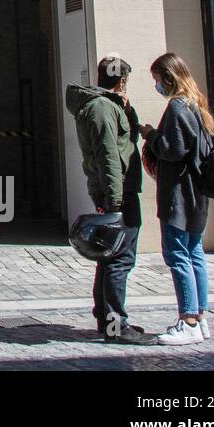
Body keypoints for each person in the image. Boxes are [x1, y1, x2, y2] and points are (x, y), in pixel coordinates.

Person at [66, 56, 150, 343]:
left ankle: (105, 318)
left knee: (109, 256)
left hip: (115, 191)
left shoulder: (107, 106)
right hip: (118, 193)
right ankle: (115, 324)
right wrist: (114, 201)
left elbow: (128, 138)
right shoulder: (101, 108)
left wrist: (128, 109)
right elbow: (109, 156)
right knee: (120, 259)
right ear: (122, 80)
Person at [139, 52, 214, 346]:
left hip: (178, 194)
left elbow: (172, 150)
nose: (156, 85)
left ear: (168, 78)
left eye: (157, 79)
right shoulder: (197, 105)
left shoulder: (176, 108)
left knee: (177, 254)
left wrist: (150, 135)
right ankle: (200, 316)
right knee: (195, 253)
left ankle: (188, 321)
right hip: (197, 193)